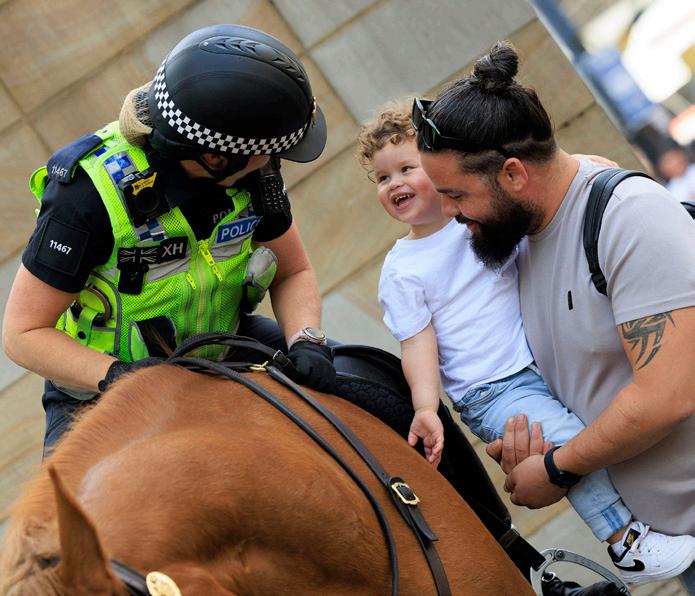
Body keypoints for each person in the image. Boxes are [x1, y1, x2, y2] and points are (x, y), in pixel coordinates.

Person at [357, 100, 695, 586]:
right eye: (382, 178)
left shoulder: (488, 220)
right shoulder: (403, 268)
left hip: (536, 366)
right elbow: (417, 343)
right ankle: (623, 539)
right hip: (493, 388)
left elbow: (543, 183)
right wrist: (427, 406)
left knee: (574, 436)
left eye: (408, 169)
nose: (395, 184)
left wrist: (583, 167)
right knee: (564, 440)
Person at [1, 24, 336, 457]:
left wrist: (307, 340)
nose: (273, 162)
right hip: (105, 389)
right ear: (215, 158)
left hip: (227, 347)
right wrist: (125, 377)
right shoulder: (85, 197)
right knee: (75, 499)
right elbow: (24, 333)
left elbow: (293, 271)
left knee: (374, 389)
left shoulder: (254, 173)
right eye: (268, 152)